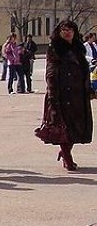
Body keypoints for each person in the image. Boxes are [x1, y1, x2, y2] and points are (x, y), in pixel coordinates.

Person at [36, 20, 93, 171]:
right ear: (59, 32)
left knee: (77, 128)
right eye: (64, 30)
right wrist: (52, 93)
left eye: (70, 30)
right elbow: (51, 73)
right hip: (62, 94)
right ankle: (68, 158)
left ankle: (65, 151)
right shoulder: (55, 49)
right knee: (64, 128)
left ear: (74, 32)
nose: (67, 32)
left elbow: (84, 70)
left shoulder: (78, 49)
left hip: (78, 94)